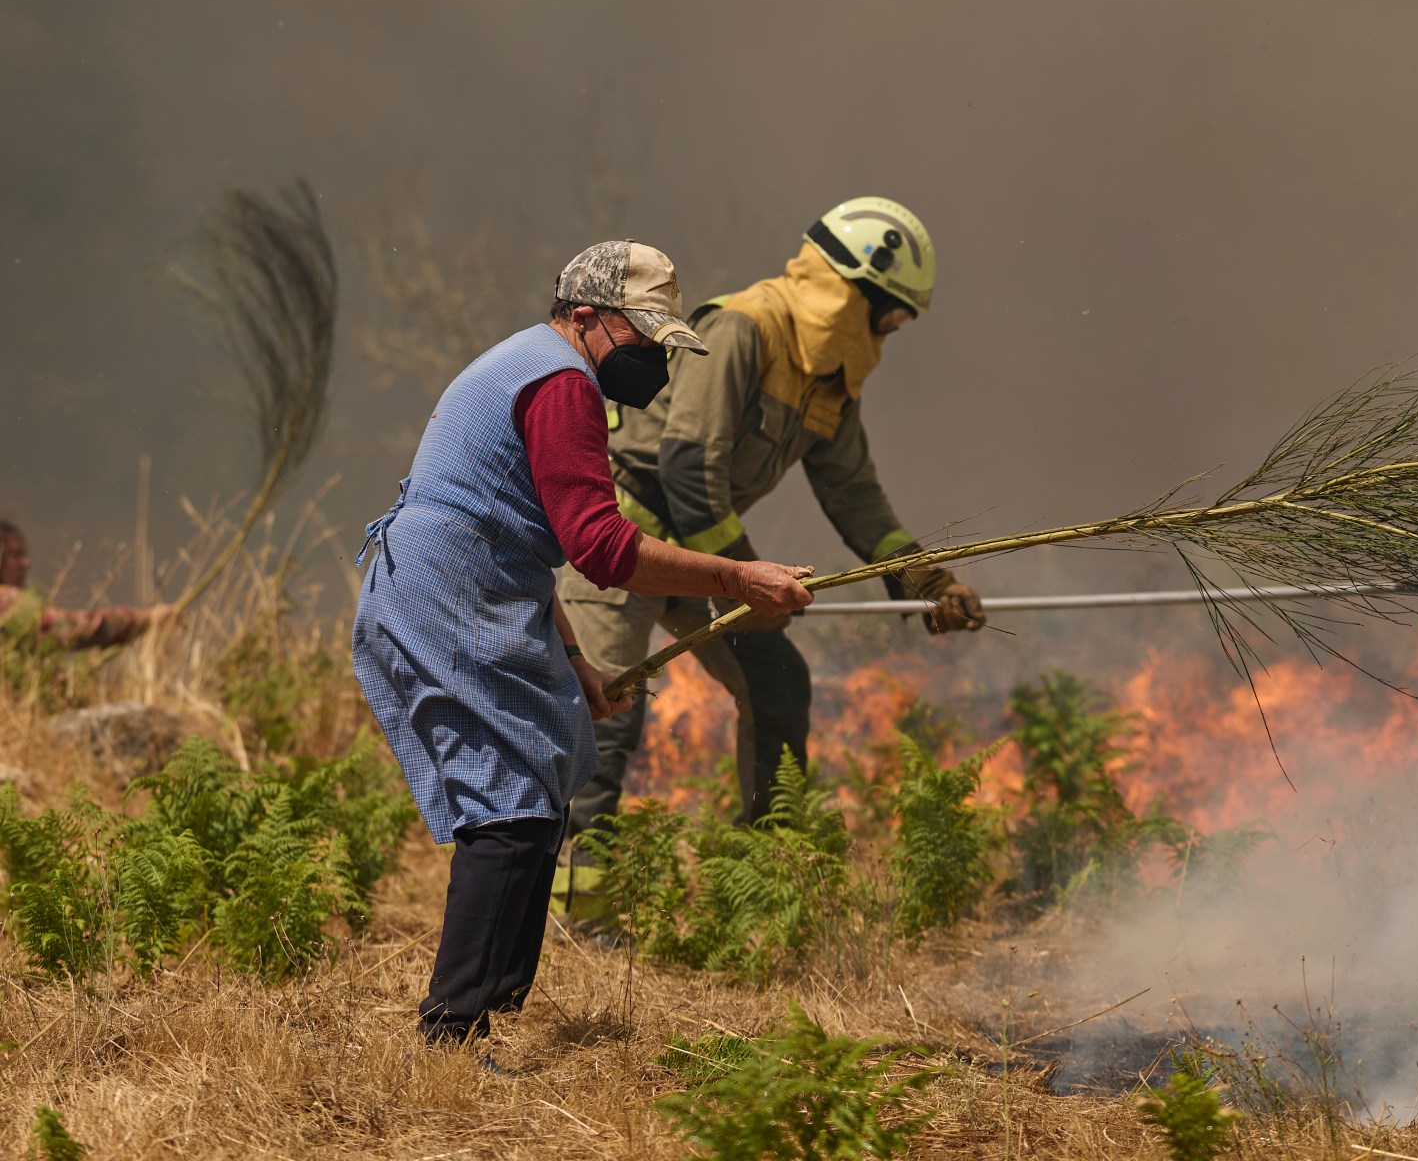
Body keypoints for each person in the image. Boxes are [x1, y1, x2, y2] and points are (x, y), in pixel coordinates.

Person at [351, 240, 813, 1059]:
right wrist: (738, 578)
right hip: (448, 591)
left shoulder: (538, 366)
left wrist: (574, 660)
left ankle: (479, 1015)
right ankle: (450, 1033)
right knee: (510, 805)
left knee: (536, 782)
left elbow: (532, 545)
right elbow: (601, 548)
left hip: (468, 583)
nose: (652, 361)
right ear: (587, 318)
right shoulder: (560, 384)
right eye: (641, 339)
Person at [556, 198, 985, 840]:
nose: (890, 334)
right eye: (890, 315)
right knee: (606, 715)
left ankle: (765, 872)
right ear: (853, 292)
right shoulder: (745, 328)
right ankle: (577, 920)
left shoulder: (830, 379)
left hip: (704, 556)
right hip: (626, 544)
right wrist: (745, 580)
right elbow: (687, 470)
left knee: (778, 682)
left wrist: (928, 583)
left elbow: (855, 496)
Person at [0, 520, 175, 650]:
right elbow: (74, 628)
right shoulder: (5, 602)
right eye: (15, 555)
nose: (26, 563)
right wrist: (148, 619)